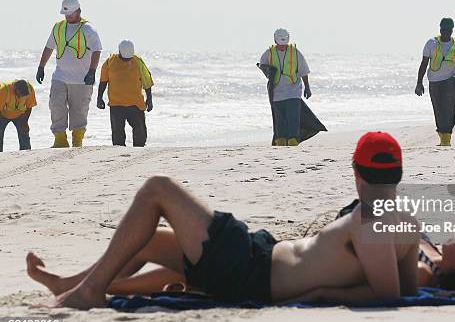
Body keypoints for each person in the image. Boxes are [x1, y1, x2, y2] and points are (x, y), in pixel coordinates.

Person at [25, 132, 422, 309]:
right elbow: (405, 288)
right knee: (145, 238)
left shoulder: (370, 220)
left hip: (250, 269)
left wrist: (321, 295)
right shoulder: (404, 220)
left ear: (356, 172)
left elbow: (388, 297)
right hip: (256, 256)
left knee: (157, 189)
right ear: (399, 174)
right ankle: (72, 284)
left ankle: (90, 290)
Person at [36, 0, 102, 148]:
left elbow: (97, 50)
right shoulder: (58, 27)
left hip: (82, 79)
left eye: (71, 14)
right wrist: (41, 67)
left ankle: (77, 140)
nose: (68, 17)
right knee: (55, 104)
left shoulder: (88, 29)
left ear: (79, 11)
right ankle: (60, 139)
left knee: (79, 111)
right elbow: (49, 47)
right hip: (60, 77)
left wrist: (92, 71)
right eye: (66, 14)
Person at [415, 18, 455, 147]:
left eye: (448, 30)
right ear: (440, 29)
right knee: (438, 110)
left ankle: (446, 139)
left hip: (451, 82)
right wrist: (419, 83)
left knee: (449, 110)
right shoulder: (431, 43)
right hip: (434, 82)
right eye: (443, 29)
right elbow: (424, 64)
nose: (445, 32)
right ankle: (442, 136)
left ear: (452, 30)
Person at [259, 28, 311, 146]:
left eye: (284, 44)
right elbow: (262, 65)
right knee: (280, 119)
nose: (282, 47)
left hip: (293, 90)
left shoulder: (295, 52)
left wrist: (307, 87)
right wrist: (268, 73)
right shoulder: (269, 53)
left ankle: (293, 140)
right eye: (280, 44)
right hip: (276, 92)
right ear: (275, 41)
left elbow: (303, 71)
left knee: (293, 117)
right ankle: (280, 140)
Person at [97, 40, 154, 147]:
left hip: (135, 104)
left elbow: (147, 81)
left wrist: (149, 99)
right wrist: (99, 98)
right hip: (116, 104)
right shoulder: (110, 61)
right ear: (119, 51)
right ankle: (119, 156)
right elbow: (103, 81)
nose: (127, 60)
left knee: (140, 135)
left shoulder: (138, 61)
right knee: (118, 136)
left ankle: (139, 153)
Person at [0, 80, 37, 152]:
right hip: (2, 114)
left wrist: (25, 121)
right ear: (15, 89)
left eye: (24, 95)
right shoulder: (3, 90)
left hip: (20, 115)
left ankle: (26, 153)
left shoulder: (30, 89)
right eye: (20, 94)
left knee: (24, 131)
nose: (21, 96)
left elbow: (29, 107)